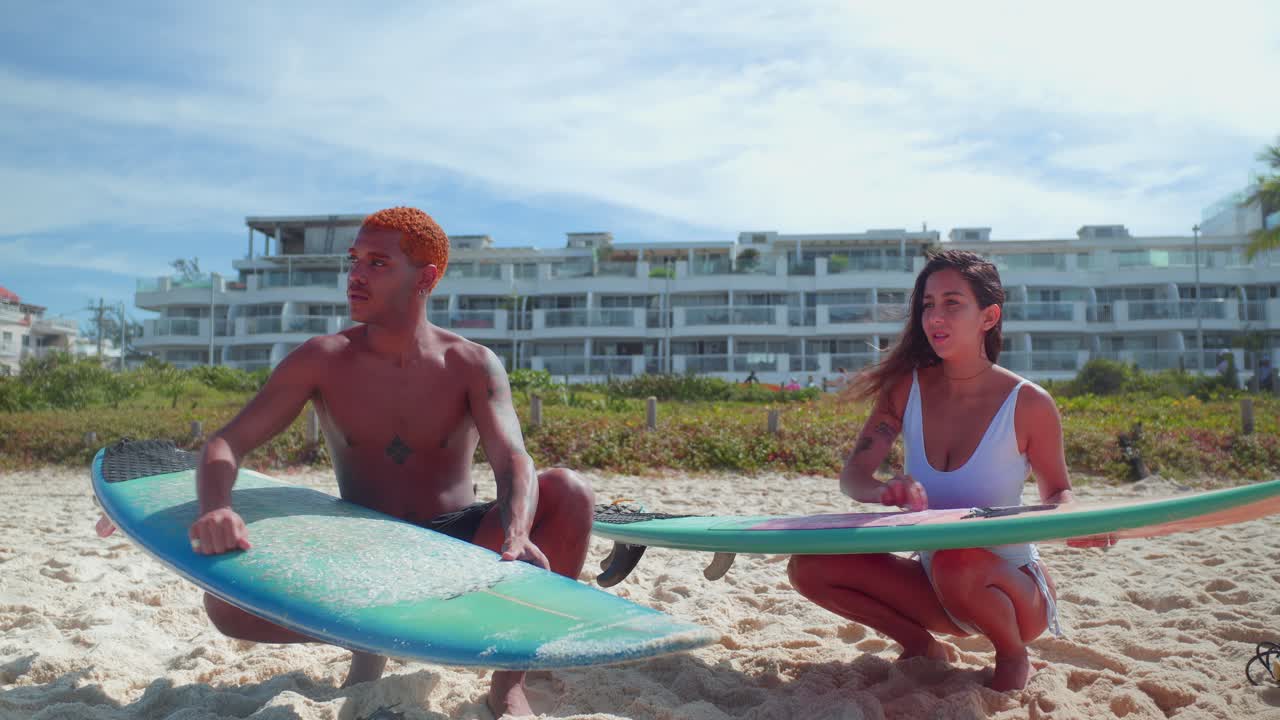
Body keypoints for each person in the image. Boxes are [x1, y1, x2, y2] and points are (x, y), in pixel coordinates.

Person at [185, 207, 594, 717]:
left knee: (570, 491)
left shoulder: (469, 362)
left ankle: (509, 680)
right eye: (354, 261)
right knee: (226, 607)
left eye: (378, 263)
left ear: (426, 277)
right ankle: (366, 642)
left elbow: (513, 460)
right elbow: (226, 443)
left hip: (457, 544)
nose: (355, 275)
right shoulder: (322, 358)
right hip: (363, 550)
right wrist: (215, 508)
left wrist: (514, 535)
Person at [788, 250, 1098, 692]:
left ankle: (1012, 654)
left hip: (1014, 595)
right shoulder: (904, 388)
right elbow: (853, 477)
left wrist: (1079, 520)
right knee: (809, 567)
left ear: (988, 317)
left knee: (957, 558)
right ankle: (920, 643)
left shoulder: (1029, 402)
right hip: (935, 585)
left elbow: (1058, 491)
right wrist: (883, 492)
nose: (936, 315)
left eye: (953, 303)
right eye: (929, 304)